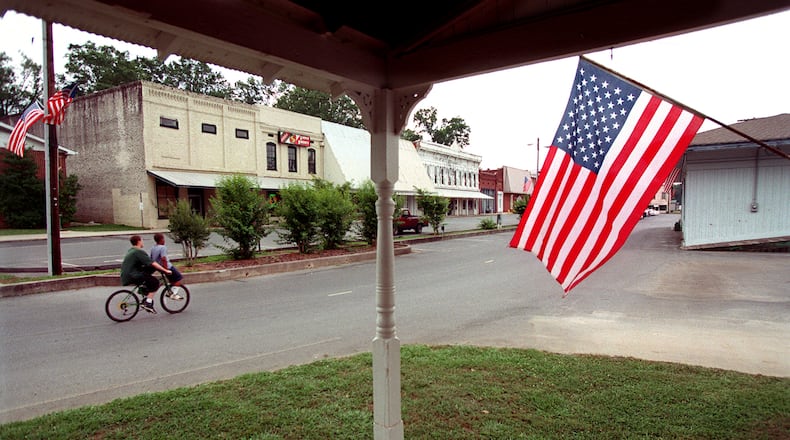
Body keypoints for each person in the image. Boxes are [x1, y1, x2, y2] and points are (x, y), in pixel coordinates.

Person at [120, 235, 171, 314]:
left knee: (149, 273)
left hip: (127, 274)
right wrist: (165, 270)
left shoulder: (131, 250)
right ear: (139, 241)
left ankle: (144, 290)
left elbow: (147, 264)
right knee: (155, 283)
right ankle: (148, 303)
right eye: (142, 240)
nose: (143, 242)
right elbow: (152, 263)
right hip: (133, 275)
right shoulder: (138, 251)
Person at [150, 232, 184, 301]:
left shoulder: (153, 248)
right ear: (161, 239)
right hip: (167, 267)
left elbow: (151, 258)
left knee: (172, 280)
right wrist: (166, 269)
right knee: (179, 278)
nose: (164, 241)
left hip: (158, 267)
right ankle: (173, 294)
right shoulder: (163, 248)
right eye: (163, 239)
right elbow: (163, 259)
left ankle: (170, 291)